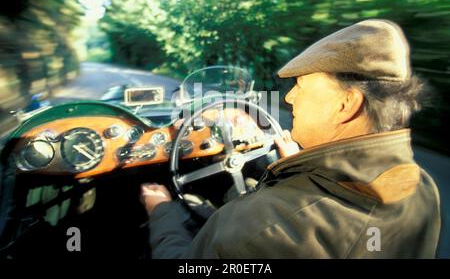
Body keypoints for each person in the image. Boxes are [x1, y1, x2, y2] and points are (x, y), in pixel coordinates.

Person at [141, 19, 441, 258]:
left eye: (301, 86)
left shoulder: (262, 228)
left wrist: (161, 210)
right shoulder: (422, 187)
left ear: (345, 105)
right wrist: (298, 167)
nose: (291, 99)